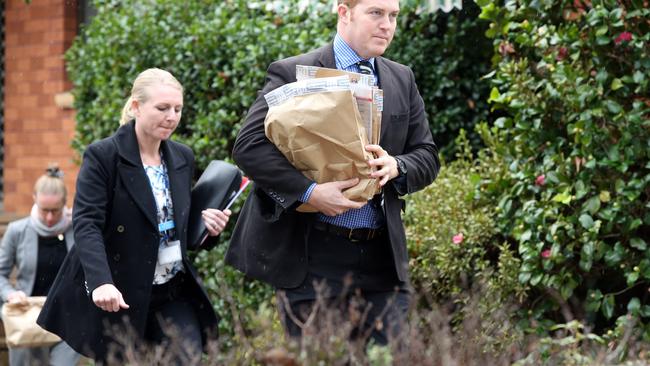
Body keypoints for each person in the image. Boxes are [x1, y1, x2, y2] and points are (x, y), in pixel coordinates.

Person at [227, 0, 439, 346]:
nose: (387, 24)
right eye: (376, 13)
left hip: (382, 260)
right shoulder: (293, 71)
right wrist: (310, 192)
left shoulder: (402, 78)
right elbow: (248, 146)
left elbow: (427, 155)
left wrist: (397, 165)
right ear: (344, 12)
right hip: (312, 258)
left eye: (393, 16)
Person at [37, 68, 231, 364]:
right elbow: (87, 222)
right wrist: (101, 281)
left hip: (171, 289)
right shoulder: (104, 155)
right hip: (120, 291)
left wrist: (208, 229)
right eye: (163, 108)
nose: (172, 116)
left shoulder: (182, 157)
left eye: (178, 109)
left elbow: (176, 227)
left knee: (187, 357)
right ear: (137, 107)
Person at [0, 166, 81, 366]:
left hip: (68, 318)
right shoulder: (17, 231)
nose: (50, 218)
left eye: (56, 210)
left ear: (65, 203)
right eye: (45, 210)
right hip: (27, 317)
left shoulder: (78, 230)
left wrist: (80, 220)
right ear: (34, 199)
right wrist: (10, 294)